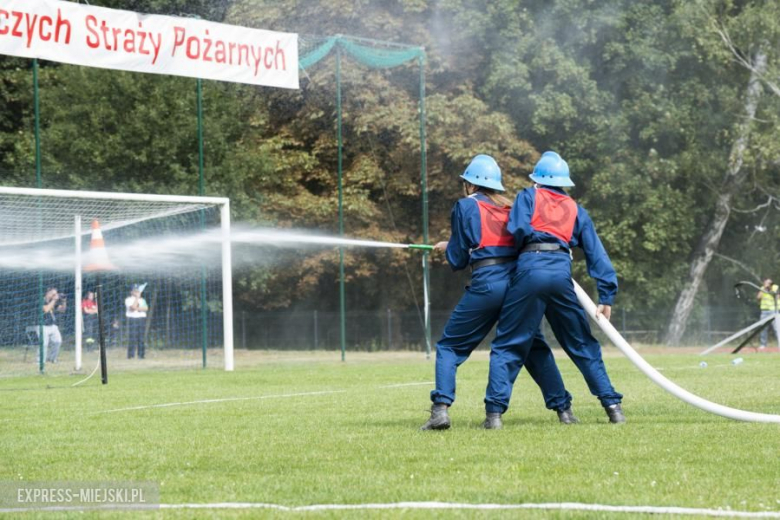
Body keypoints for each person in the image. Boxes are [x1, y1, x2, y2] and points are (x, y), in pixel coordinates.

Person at [421, 154, 577, 431]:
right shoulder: (510, 207)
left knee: (449, 347)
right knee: (534, 348)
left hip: (488, 284)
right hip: (519, 285)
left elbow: (458, 259)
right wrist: (457, 244)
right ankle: (563, 410)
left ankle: (440, 411)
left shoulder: (465, 206)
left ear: (469, 185)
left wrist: (452, 248)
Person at [484, 151, 625, 425]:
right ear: (563, 182)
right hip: (561, 272)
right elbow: (597, 253)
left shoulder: (528, 196)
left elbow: (518, 230)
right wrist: (606, 295)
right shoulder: (576, 209)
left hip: (529, 269)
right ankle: (612, 406)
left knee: (509, 343)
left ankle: (494, 414)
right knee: (581, 343)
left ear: (537, 179)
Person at [40, 287, 67, 364]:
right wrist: (54, 300)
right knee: (44, 343)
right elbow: (46, 309)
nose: (55, 295)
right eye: (53, 294)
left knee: (58, 341)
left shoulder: (52, 302)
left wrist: (64, 301)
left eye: (56, 294)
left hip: (52, 325)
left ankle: (52, 359)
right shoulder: (42, 300)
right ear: (48, 293)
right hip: (42, 325)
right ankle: (40, 361)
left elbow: (62, 310)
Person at [125, 284, 148, 359]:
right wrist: (137, 299)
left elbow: (145, 308)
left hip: (141, 319)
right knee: (132, 337)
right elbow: (132, 308)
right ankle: (130, 355)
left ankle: (141, 355)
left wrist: (137, 308)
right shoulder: (128, 299)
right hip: (133, 319)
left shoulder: (142, 300)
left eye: (137, 291)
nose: (137, 292)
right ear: (131, 292)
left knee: (141, 338)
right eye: (135, 291)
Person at [756, 278, 778, 350]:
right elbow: (758, 297)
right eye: (765, 283)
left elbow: (777, 297)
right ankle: (763, 344)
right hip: (764, 311)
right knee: (763, 328)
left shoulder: (776, 288)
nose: (767, 284)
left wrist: (770, 289)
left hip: (774, 311)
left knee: (777, 328)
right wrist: (764, 289)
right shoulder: (762, 288)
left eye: (768, 283)